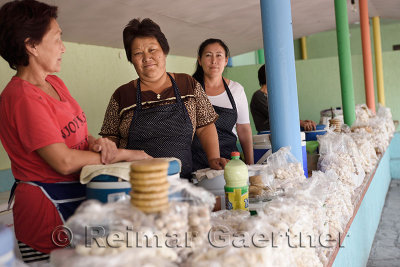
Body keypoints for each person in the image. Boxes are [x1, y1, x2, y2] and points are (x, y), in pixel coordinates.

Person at [0, 0, 150, 262]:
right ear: (31, 45)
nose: (63, 48)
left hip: (76, 202)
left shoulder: (54, 83)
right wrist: (125, 155)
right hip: (47, 217)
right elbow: (64, 160)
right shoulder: (21, 97)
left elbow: (76, 137)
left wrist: (96, 143)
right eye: (57, 38)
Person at [100, 19, 228, 178]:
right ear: (131, 59)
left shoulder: (188, 84)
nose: (147, 58)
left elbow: (205, 126)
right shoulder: (121, 95)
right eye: (138, 53)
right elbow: (109, 141)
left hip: (182, 181)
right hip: (137, 184)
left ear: (164, 51)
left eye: (152, 50)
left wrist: (213, 158)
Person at [191, 38, 254, 171]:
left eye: (219, 55)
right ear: (200, 60)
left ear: (226, 60)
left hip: (229, 163)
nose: (214, 61)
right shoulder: (189, 89)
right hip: (195, 163)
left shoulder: (236, 89)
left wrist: (250, 165)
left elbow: (243, 130)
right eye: (208, 55)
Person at [250, 64, 316, 132]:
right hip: (267, 138)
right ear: (269, 76)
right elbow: (279, 116)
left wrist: (305, 123)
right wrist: (301, 123)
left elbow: (286, 116)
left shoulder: (274, 96)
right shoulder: (258, 96)